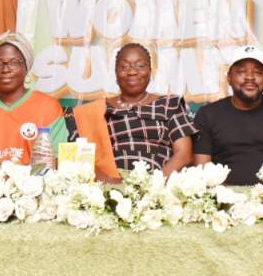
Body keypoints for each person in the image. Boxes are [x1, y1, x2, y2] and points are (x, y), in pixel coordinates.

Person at [70, 42, 196, 181]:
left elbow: (184, 154)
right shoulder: (95, 111)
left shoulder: (169, 105)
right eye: (124, 66)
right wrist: (109, 184)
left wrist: (153, 184)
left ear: (150, 71)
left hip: (159, 186)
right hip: (107, 187)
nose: (132, 72)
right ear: (116, 72)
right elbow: (79, 157)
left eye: (140, 66)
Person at [192, 45, 263, 185]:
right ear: (229, 77)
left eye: (257, 72)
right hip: (223, 195)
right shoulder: (208, 114)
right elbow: (202, 171)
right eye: (241, 72)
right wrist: (228, 194)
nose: (250, 77)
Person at [0, 31, 64, 167]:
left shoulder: (48, 109)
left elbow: (57, 163)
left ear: (26, 67)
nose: (5, 69)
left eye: (14, 63)